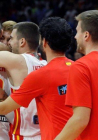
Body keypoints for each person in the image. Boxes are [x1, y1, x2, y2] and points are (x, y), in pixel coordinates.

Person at [0, 17, 73, 140]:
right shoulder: (46, 65)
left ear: (22, 42)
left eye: (11, 39)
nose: (8, 43)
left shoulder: (17, 61)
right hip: (44, 133)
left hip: (23, 134)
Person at [54, 10, 98, 140]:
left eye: (77, 31)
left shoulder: (81, 66)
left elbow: (80, 120)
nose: (75, 36)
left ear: (86, 35)